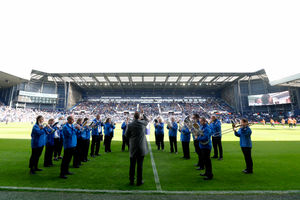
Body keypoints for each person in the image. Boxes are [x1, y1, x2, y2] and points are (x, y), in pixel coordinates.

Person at [125, 109, 149, 186]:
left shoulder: (130, 125)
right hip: (141, 148)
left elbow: (126, 135)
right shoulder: (142, 123)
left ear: (133, 117)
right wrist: (143, 113)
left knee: (132, 165)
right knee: (140, 166)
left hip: (133, 148)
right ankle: (139, 181)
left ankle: (131, 180)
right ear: (139, 117)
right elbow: (147, 120)